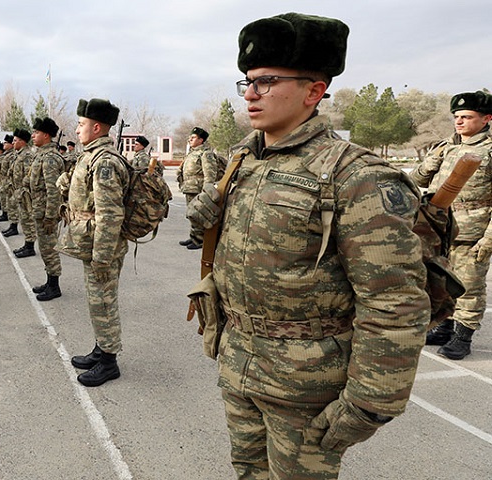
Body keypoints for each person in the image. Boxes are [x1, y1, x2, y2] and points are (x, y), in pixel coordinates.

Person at [186, 13, 430, 478]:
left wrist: (369, 403)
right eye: (248, 83)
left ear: (314, 91)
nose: (251, 95)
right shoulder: (243, 160)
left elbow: (394, 300)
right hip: (239, 361)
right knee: (247, 470)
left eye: (268, 81)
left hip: (307, 384)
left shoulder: (355, 175)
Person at [411, 90, 492, 360]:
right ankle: (444, 327)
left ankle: (463, 336)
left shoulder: (489, 151)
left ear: (486, 119)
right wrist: (430, 162)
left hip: (472, 230)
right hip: (440, 228)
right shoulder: (446, 147)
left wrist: (488, 239)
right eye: (456, 117)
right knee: (440, 281)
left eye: (466, 116)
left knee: (469, 285)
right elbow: (417, 181)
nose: (459, 121)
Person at [58, 98, 128, 387]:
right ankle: (101, 348)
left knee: (103, 302)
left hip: (103, 246)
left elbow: (110, 215)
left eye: (81, 125)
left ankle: (109, 362)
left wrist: (102, 256)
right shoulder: (91, 155)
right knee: (95, 301)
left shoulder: (105, 162)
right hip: (91, 242)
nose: (76, 130)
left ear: (96, 127)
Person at [29, 117, 65, 300]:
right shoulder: (41, 154)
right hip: (40, 210)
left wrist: (51, 216)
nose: (33, 135)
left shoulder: (50, 158)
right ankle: (49, 281)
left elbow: (54, 190)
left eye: (36, 133)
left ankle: (54, 286)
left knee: (49, 248)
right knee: (45, 248)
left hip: (46, 213)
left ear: (46, 135)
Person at [177, 126, 219, 250]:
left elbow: (210, 173)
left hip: (198, 189)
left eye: (193, 137)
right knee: (192, 215)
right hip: (190, 188)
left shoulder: (206, 153)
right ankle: (194, 237)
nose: (190, 139)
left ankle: (200, 240)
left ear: (201, 140)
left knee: (199, 215)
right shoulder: (192, 153)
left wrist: (207, 190)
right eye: (190, 137)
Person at [8, 128, 37, 253]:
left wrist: (23, 191)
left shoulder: (27, 155)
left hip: (25, 193)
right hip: (19, 191)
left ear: (22, 142)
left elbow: (29, 175)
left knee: (28, 219)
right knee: (24, 219)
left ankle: (30, 246)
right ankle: (27, 243)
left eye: (15, 141)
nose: (13, 143)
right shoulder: (19, 154)